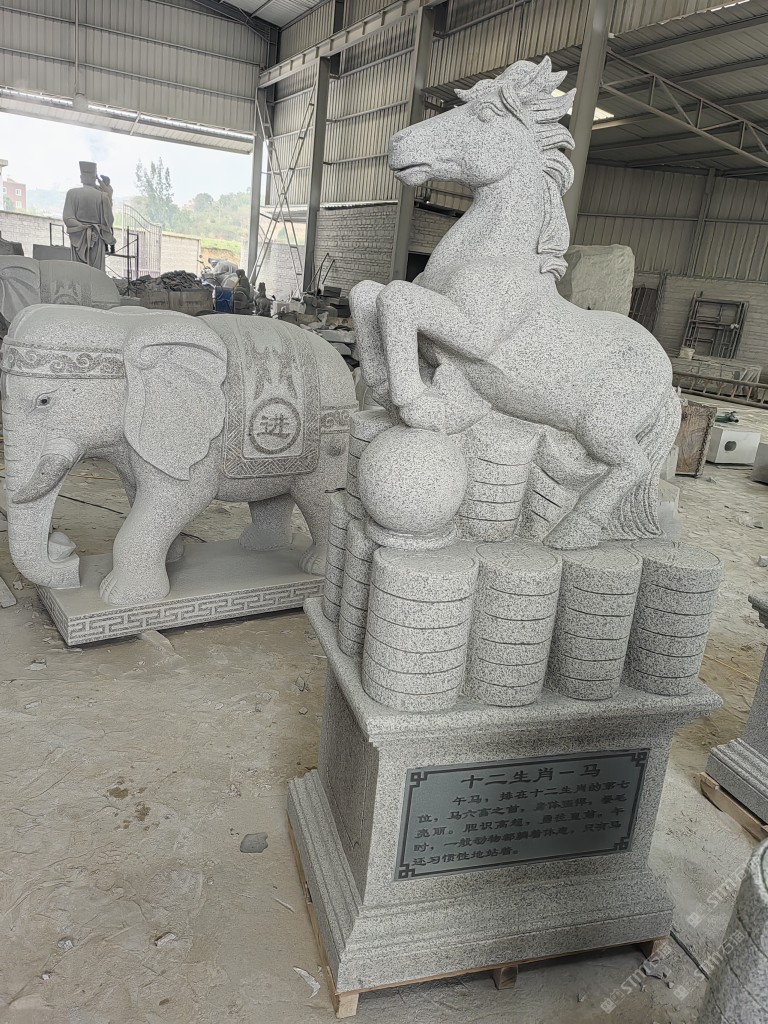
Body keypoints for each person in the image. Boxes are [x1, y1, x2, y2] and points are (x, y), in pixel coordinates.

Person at [62, 161, 116, 270]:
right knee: (96, 273)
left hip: (78, 238)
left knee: (79, 273)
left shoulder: (72, 193)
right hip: (97, 238)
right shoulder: (103, 196)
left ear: (81, 178)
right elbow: (109, 221)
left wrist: (82, 227)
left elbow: (67, 218)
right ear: (94, 178)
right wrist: (91, 230)